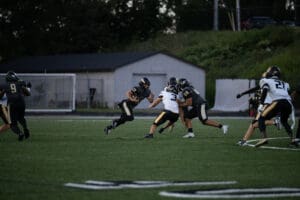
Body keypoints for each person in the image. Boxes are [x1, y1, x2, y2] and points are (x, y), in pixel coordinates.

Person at [236, 72, 281, 146]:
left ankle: (274, 122)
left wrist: (242, 94)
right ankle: (264, 138)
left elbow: (255, 89)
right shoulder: (274, 84)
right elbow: (255, 89)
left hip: (266, 105)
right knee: (258, 123)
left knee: (254, 124)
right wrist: (242, 94)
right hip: (275, 104)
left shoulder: (266, 83)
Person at [255, 66, 295, 147]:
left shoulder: (265, 80)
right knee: (284, 121)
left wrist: (261, 103)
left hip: (277, 102)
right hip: (288, 103)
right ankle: (293, 139)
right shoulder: (285, 83)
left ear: (269, 73)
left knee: (261, 119)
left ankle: (264, 138)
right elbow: (290, 94)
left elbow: (265, 89)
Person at [0, 71, 31, 141]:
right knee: (21, 118)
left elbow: (1, 96)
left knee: (12, 124)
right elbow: (28, 94)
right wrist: (28, 88)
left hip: (11, 104)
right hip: (21, 103)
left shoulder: (4, 85)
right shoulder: (20, 83)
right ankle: (25, 128)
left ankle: (20, 133)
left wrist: (4, 91)